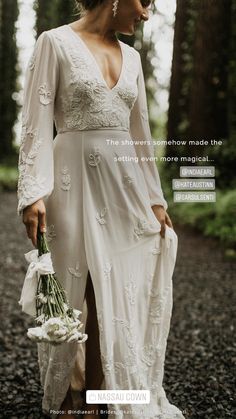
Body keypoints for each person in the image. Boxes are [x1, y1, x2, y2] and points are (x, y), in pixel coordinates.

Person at [17, 0, 185, 418]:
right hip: (71, 184)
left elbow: (140, 135)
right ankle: (66, 393)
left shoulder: (131, 57)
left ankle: (96, 400)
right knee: (79, 288)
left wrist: (155, 199)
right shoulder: (54, 43)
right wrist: (33, 193)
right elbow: (36, 123)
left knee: (114, 290)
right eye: (144, 2)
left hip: (124, 189)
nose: (146, 14)